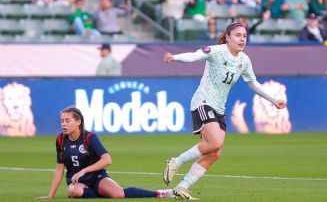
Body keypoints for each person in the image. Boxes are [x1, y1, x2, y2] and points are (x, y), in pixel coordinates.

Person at [162, 22, 287, 200]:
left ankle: (181, 188)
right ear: (227, 37)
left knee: (215, 153)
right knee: (215, 143)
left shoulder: (244, 60)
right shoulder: (217, 51)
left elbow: (253, 83)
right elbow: (195, 56)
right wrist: (174, 57)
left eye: (244, 36)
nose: (242, 39)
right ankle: (176, 161)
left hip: (219, 108)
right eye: (237, 35)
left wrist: (274, 100)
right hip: (203, 102)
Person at [36, 107, 174, 199]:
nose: (64, 124)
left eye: (67, 121)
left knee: (119, 194)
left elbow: (107, 160)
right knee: (74, 191)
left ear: (78, 122)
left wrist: (84, 171)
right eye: (62, 121)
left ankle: (159, 193)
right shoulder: (60, 139)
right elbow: (59, 168)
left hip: (97, 177)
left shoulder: (90, 137)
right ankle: (97, 193)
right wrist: (50, 195)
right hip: (76, 182)